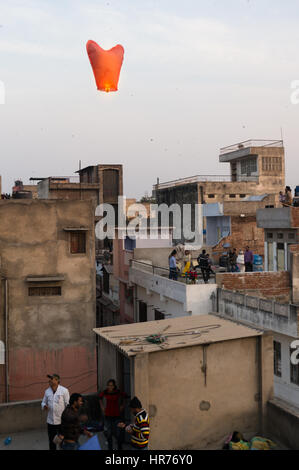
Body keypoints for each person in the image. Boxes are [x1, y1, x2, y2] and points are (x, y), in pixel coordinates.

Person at [41, 373, 70, 450]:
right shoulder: (47, 391)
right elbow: (43, 402)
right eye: (49, 379)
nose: (50, 380)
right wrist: (44, 405)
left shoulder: (64, 391)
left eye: (52, 379)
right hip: (50, 421)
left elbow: (68, 404)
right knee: (52, 441)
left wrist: (67, 418)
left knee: (62, 440)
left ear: (57, 381)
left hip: (61, 421)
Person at [99, 379, 127, 450]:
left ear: (114, 386)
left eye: (111, 385)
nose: (110, 387)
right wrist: (102, 407)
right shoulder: (105, 392)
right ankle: (110, 448)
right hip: (108, 416)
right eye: (108, 385)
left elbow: (125, 396)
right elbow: (100, 397)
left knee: (118, 434)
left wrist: (122, 406)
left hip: (117, 415)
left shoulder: (117, 392)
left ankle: (119, 448)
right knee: (109, 434)